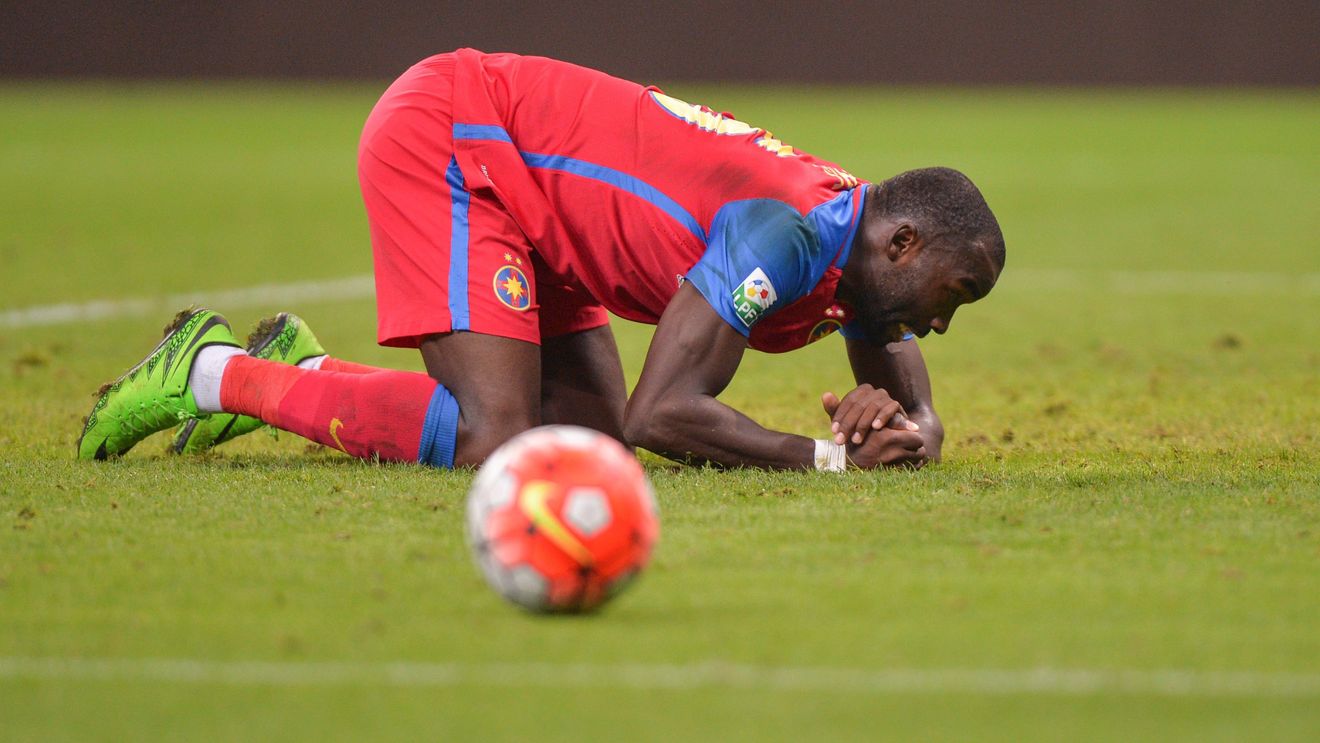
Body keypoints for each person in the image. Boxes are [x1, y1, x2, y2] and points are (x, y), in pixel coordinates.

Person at [77, 49, 1005, 472]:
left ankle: (301, 371)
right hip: (457, 140)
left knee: (581, 454)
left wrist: (917, 426)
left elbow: (887, 341)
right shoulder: (788, 234)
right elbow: (662, 412)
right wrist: (829, 459)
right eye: (950, 294)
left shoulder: (856, 243)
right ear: (903, 243)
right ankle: (212, 372)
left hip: (538, 204)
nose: (940, 323)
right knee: (502, 439)